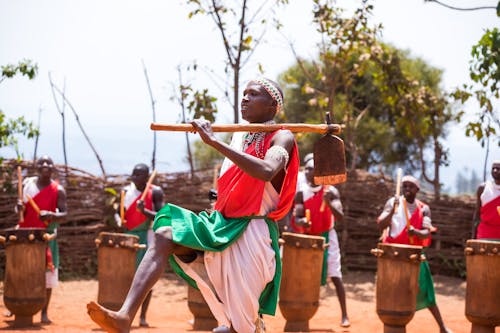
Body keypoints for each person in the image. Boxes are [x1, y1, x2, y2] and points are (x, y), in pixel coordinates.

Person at [87, 77, 299, 333]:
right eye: (244, 93)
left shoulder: (283, 136)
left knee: (240, 327)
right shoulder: (240, 136)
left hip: (253, 234)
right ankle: (125, 317)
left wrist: (212, 142)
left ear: (273, 106)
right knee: (165, 233)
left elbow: (266, 171)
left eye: (253, 94)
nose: (245, 98)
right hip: (223, 226)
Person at [376, 175, 452, 333]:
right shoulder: (392, 203)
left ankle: (442, 327)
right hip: (394, 256)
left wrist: (415, 231)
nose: (407, 189)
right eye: (404, 186)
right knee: (393, 292)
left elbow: (426, 233)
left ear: (417, 189)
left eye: (410, 186)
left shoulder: (424, 209)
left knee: (426, 291)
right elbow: (381, 224)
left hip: (414, 256)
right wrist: (392, 212)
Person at [291, 157, 350, 328]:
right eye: (308, 169)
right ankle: (303, 315)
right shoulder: (301, 192)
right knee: (305, 276)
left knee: (336, 274)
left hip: (328, 236)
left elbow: (340, 216)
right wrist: (303, 223)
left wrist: (330, 202)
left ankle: (344, 314)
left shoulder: (331, 191)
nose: (310, 172)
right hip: (310, 238)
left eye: (314, 169)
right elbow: (298, 217)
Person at [16, 155, 67, 324]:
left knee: (47, 275)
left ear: (53, 167)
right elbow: (21, 210)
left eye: (49, 163)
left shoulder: (58, 190)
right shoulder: (27, 186)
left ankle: (44, 312)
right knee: (22, 272)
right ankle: (17, 307)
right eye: (42, 163)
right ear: (36, 166)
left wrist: (52, 214)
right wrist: (18, 208)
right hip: (26, 235)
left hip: (47, 235)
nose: (45, 165)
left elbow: (64, 214)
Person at [116, 163, 164, 327]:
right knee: (125, 278)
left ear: (146, 176)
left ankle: (142, 316)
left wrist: (145, 212)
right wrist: (119, 220)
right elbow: (118, 213)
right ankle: (122, 314)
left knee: (145, 278)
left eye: (139, 175)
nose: (135, 178)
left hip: (148, 238)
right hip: (128, 238)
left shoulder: (155, 192)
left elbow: (161, 216)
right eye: (133, 175)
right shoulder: (125, 192)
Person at [473, 160, 500, 240]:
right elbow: (477, 214)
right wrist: (473, 237)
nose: (495, 170)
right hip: (484, 233)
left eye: (498, 168)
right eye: (493, 168)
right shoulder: (483, 188)